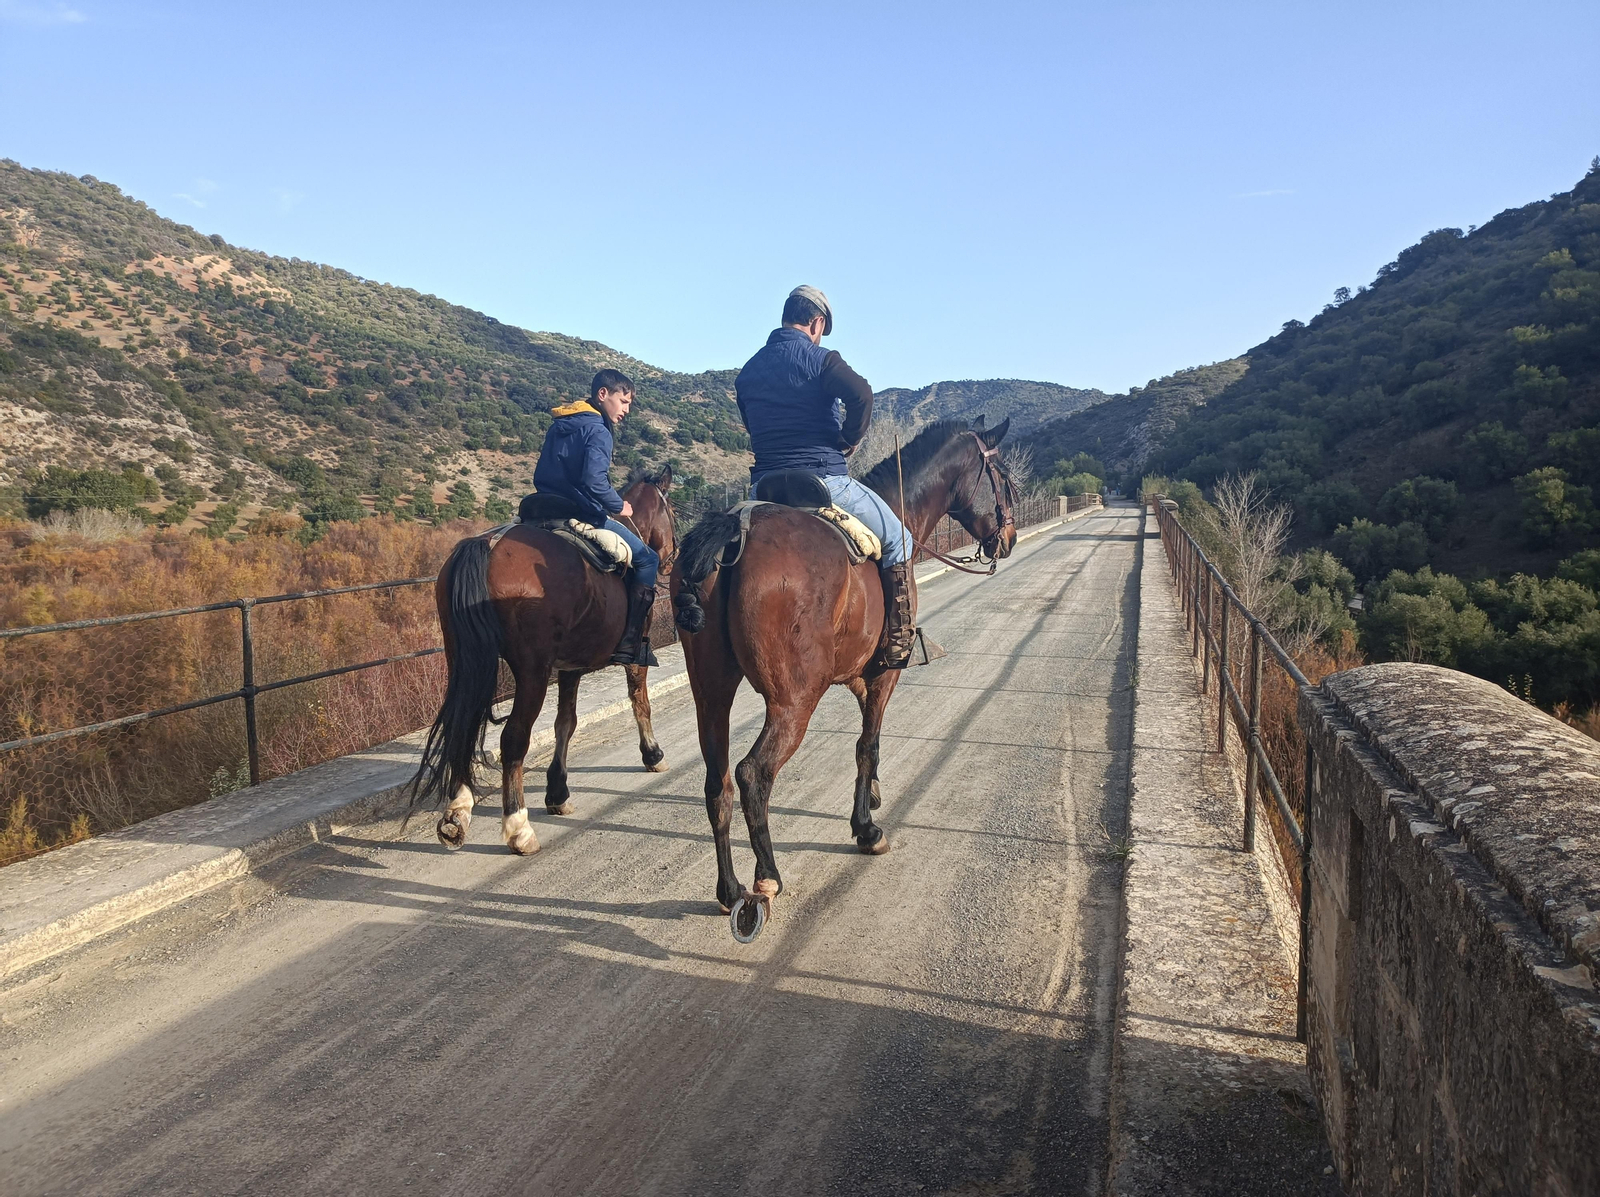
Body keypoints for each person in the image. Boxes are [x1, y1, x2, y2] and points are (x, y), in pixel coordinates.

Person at [734, 285, 918, 668]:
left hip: (764, 487)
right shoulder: (822, 359)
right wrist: (849, 439)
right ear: (817, 323)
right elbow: (862, 395)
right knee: (900, 539)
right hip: (822, 481)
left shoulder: (748, 372)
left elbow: (751, 423)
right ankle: (899, 642)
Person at [531, 368, 660, 666]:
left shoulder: (560, 423)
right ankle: (631, 643)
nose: (626, 410)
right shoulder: (598, 430)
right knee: (648, 559)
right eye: (623, 401)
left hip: (541, 508)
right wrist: (618, 505)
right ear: (603, 394)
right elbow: (594, 481)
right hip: (579, 512)